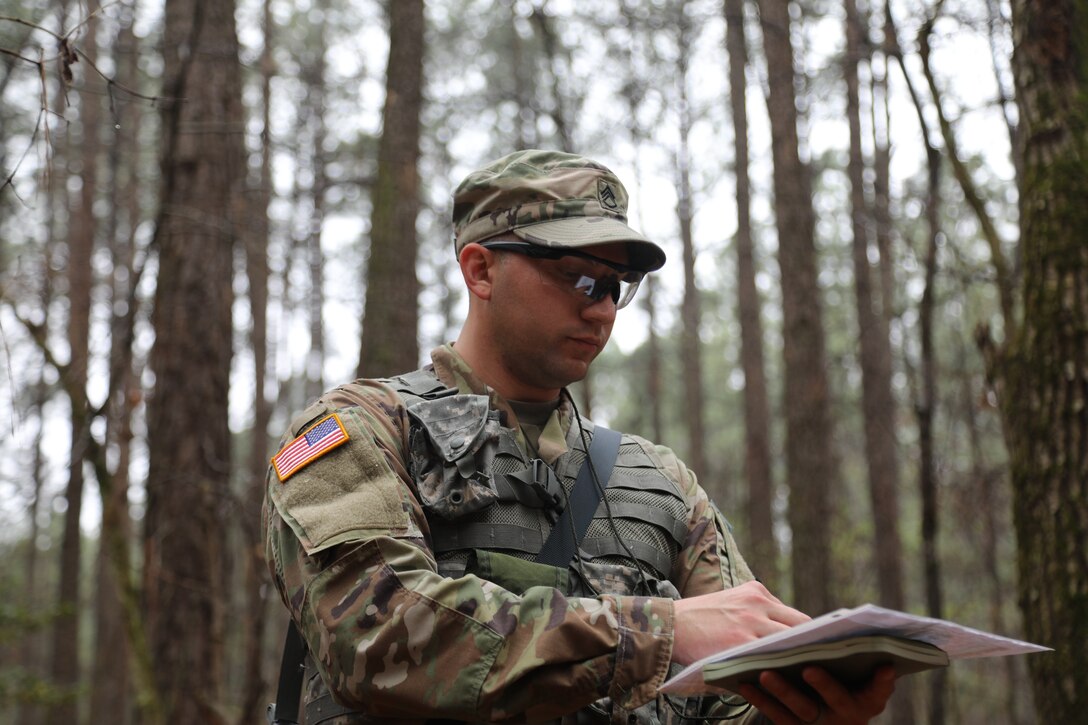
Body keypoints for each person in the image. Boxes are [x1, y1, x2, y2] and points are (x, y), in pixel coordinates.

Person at [263, 149, 896, 724]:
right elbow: (376, 638)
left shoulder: (660, 484)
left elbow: (732, 696)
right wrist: (657, 631)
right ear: (480, 271)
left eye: (616, 288)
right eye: (580, 278)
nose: (602, 310)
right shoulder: (356, 431)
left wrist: (811, 705)